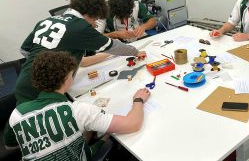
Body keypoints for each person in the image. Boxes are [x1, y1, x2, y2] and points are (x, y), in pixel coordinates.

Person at [4, 51, 150, 160]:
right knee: (110, 136)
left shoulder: (17, 113)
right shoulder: (79, 110)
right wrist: (138, 100)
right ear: (67, 78)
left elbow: (10, 146)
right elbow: (133, 124)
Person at [14, 0, 146, 104]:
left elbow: (24, 50)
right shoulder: (80, 27)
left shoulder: (45, 21)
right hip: (41, 92)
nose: (94, 24)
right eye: (94, 20)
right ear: (89, 14)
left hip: (24, 83)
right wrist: (135, 52)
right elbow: (112, 46)